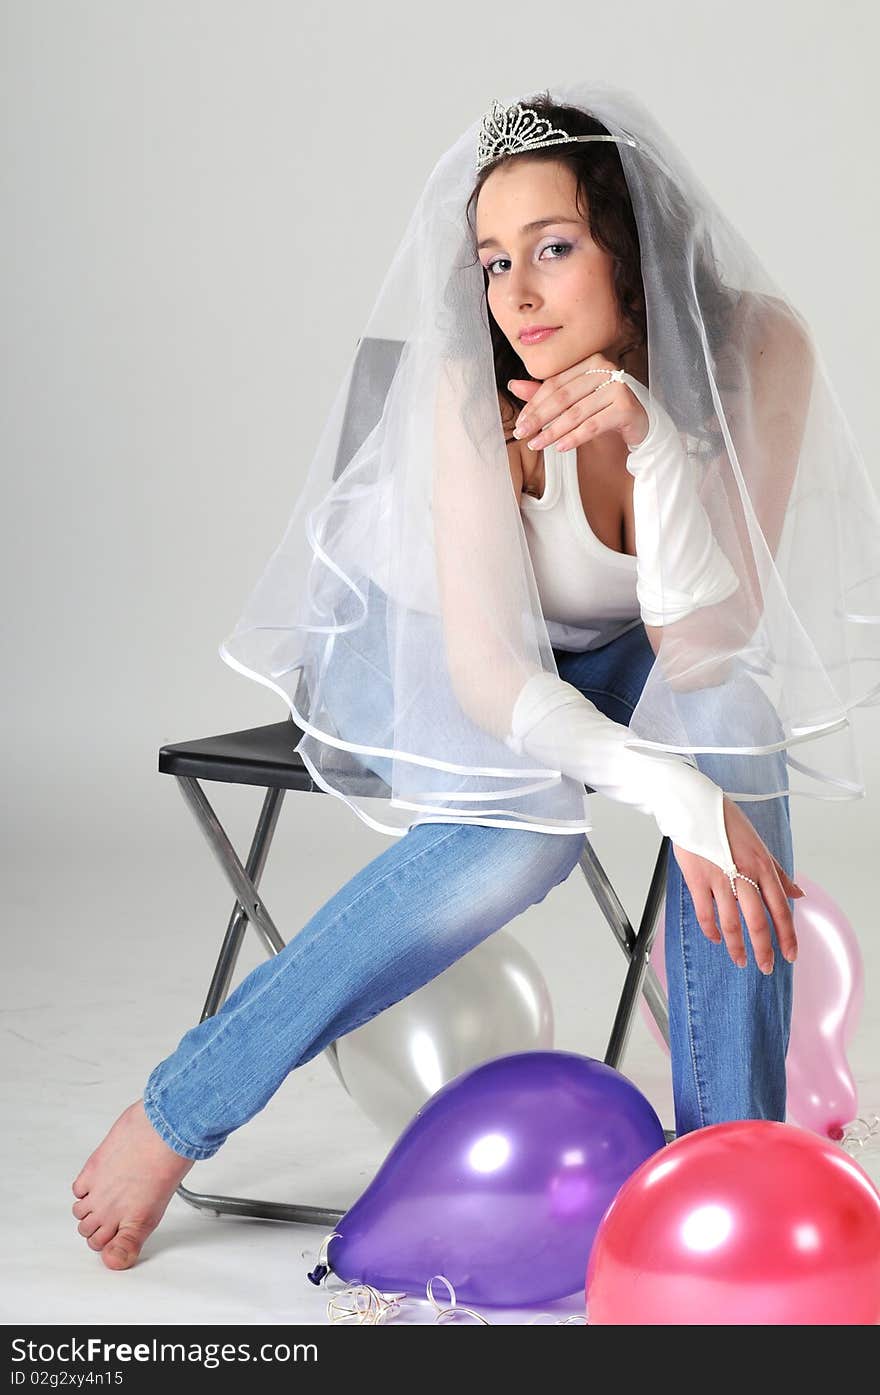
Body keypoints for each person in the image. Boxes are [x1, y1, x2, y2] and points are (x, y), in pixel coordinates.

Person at [71, 87, 879, 1271]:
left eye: (553, 248)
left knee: (732, 718)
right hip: (443, 650)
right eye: (494, 260)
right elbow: (494, 677)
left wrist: (651, 440)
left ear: (633, 245)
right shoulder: (471, 381)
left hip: (647, 644)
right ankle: (179, 1108)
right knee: (522, 839)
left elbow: (711, 634)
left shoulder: (758, 347)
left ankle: (727, 1164)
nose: (516, 294)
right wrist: (672, 793)